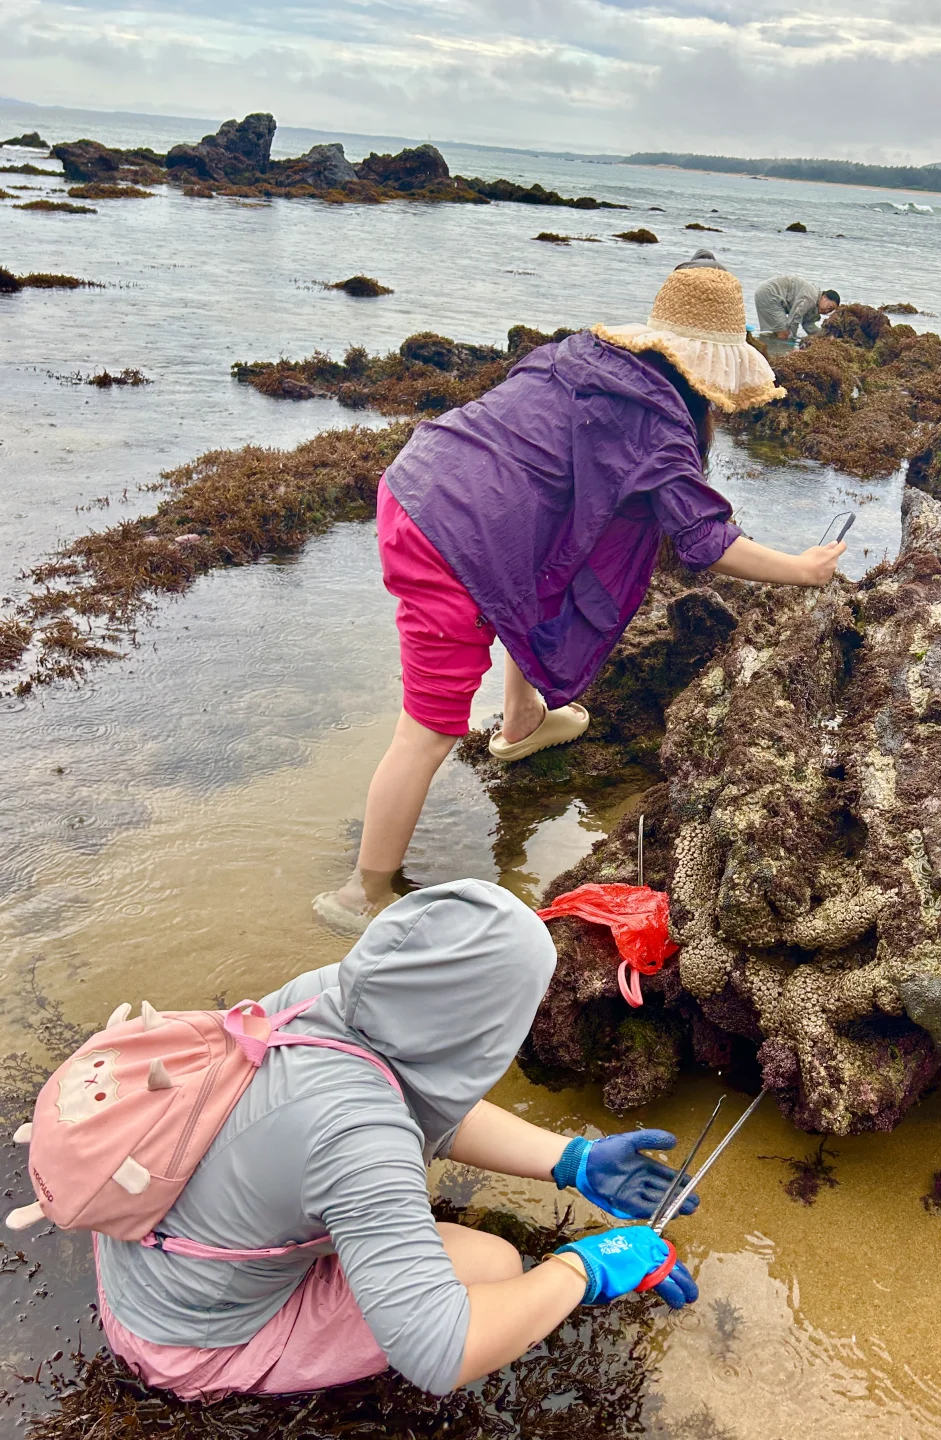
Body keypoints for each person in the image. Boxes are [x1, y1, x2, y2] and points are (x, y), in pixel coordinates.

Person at [314, 250, 847, 936]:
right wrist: (804, 569)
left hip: (427, 477)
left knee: (539, 581)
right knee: (429, 728)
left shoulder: (580, 358)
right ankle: (362, 893)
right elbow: (705, 542)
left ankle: (522, 721)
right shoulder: (658, 422)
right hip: (450, 533)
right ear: (711, 372)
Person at [94, 881, 700, 1400]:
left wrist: (573, 1160)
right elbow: (442, 1350)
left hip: (142, 1247)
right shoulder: (359, 1140)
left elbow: (425, 1096)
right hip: (187, 1340)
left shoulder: (327, 994)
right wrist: (582, 1269)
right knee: (494, 1267)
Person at [754, 275, 841, 342]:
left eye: (829, 311)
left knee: (780, 332)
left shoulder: (815, 305)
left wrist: (826, 336)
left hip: (771, 295)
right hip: (770, 294)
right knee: (784, 334)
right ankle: (775, 352)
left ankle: (768, 343)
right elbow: (795, 317)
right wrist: (791, 339)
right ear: (824, 297)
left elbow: (809, 325)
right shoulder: (811, 297)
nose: (826, 311)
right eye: (829, 307)